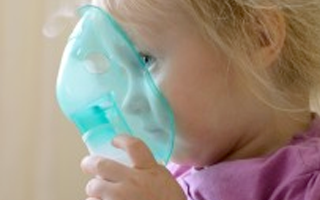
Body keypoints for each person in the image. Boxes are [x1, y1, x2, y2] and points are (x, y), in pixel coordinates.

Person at [79, 0, 320, 199]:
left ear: (258, 36)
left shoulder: (308, 186)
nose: (128, 101)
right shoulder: (171, 174)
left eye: (145, 60)